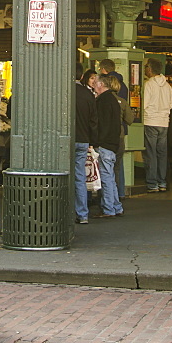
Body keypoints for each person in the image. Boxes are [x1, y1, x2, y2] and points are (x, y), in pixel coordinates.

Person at [92, 74, 123, 218]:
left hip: (104, 144)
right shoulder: (114, 100)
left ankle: (109, 209)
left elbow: (101, 125)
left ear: (102, 85)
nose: (94, 84)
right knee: (110, 177)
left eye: (96, 82)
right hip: (112, 144)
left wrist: (96, 141)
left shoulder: (103, 101)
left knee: (105, 177)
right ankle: (116, 206)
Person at [143, 58, 172, 193]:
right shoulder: (167, 86)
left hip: (150, 121)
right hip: (164, 122)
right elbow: (171, 105)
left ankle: (152, 183)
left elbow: (144, 104)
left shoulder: (149, 84)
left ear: (149, 69)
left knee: (151, 153)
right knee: (162, 153)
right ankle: (162, 182)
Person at [74, 63, 98, 224]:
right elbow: (93, 121)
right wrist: (92, 141)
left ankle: (63, 212)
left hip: (65, 140)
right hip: (83, 140)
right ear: (82, 76)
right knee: (79, 177)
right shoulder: (88, 95)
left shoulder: (63, 91)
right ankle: (82, 213)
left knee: (62, 176)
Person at [106, 73, 135, 200]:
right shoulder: (122, 102)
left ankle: (107, 199)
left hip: (106, 138)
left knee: (106, 170)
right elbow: (130, 119)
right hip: (120, 136)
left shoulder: (102, 100)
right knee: (116, 168)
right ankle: (117, 196)